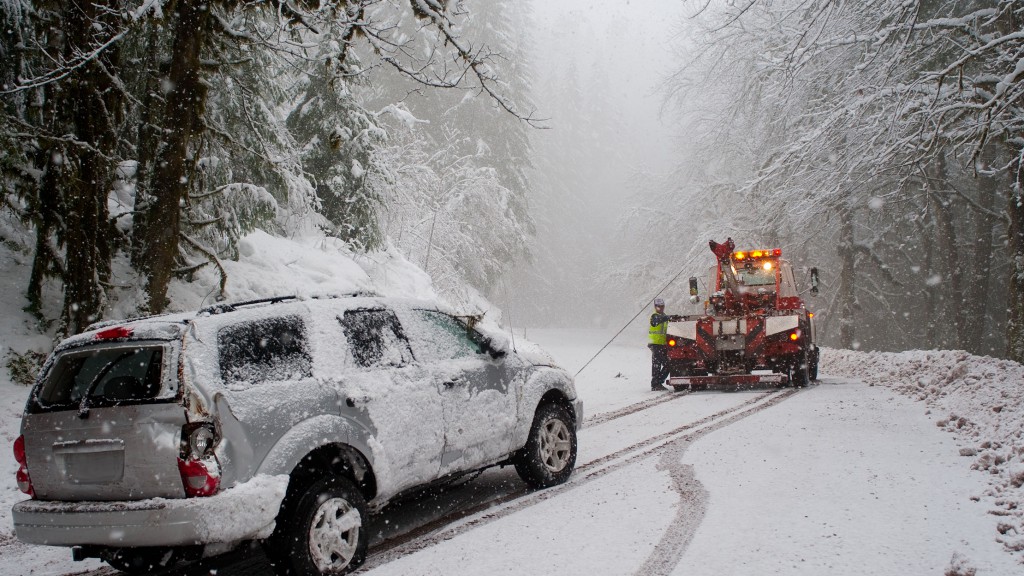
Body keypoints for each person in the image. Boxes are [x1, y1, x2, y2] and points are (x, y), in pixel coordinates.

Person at [648, 297, 682, 391]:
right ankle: (656, 383)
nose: (661, 308)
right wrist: (668, 317)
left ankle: (656, 383)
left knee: (662, 364)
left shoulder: (664, 316)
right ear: (655, 307)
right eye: (659, 307)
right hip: (655, 344)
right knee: (662, 364)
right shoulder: (654, 316)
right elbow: (656, 321)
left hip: (662, 344)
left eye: (662, 306)